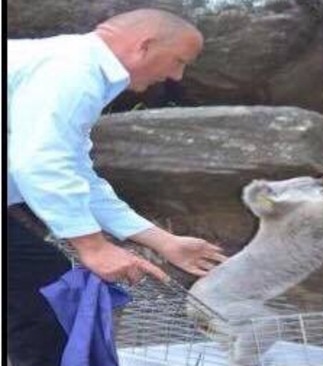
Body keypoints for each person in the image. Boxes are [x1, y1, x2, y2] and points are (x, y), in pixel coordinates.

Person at [7, 8, 226, 366]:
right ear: (145, 46)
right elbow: (40, 163)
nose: (176, 75)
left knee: (41, 287)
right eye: (178, 61)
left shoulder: (75, 66)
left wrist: (162, 240)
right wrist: (93, 248)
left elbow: (76, 173)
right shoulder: (73, 71)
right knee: (43, 290)